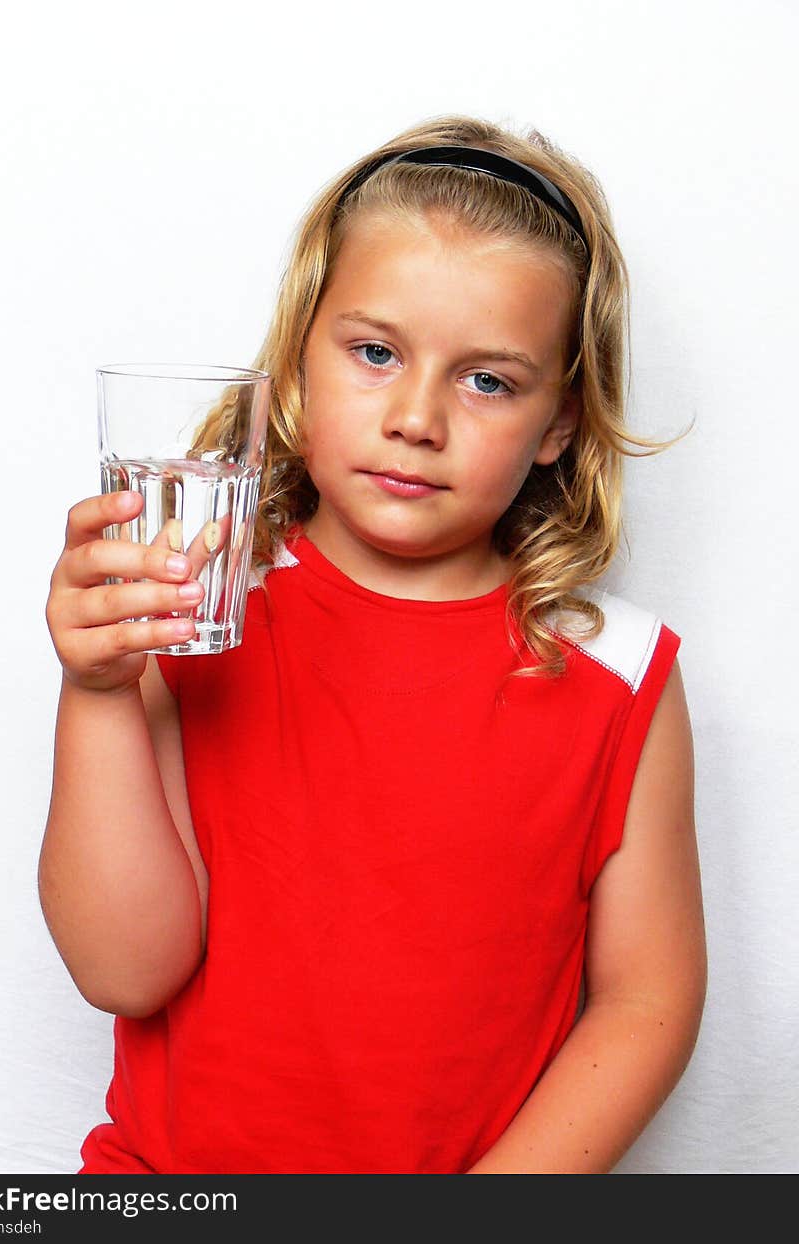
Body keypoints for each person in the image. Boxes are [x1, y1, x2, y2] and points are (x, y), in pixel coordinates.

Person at [40, 114, 707, 1175]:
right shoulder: (194, 606)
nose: (416, 415)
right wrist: (96, 691)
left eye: (486, 379)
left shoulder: (619, 673)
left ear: (559, 423)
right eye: (374, 351)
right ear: (300, 355)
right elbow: (126, 967)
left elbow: (648, 1001)